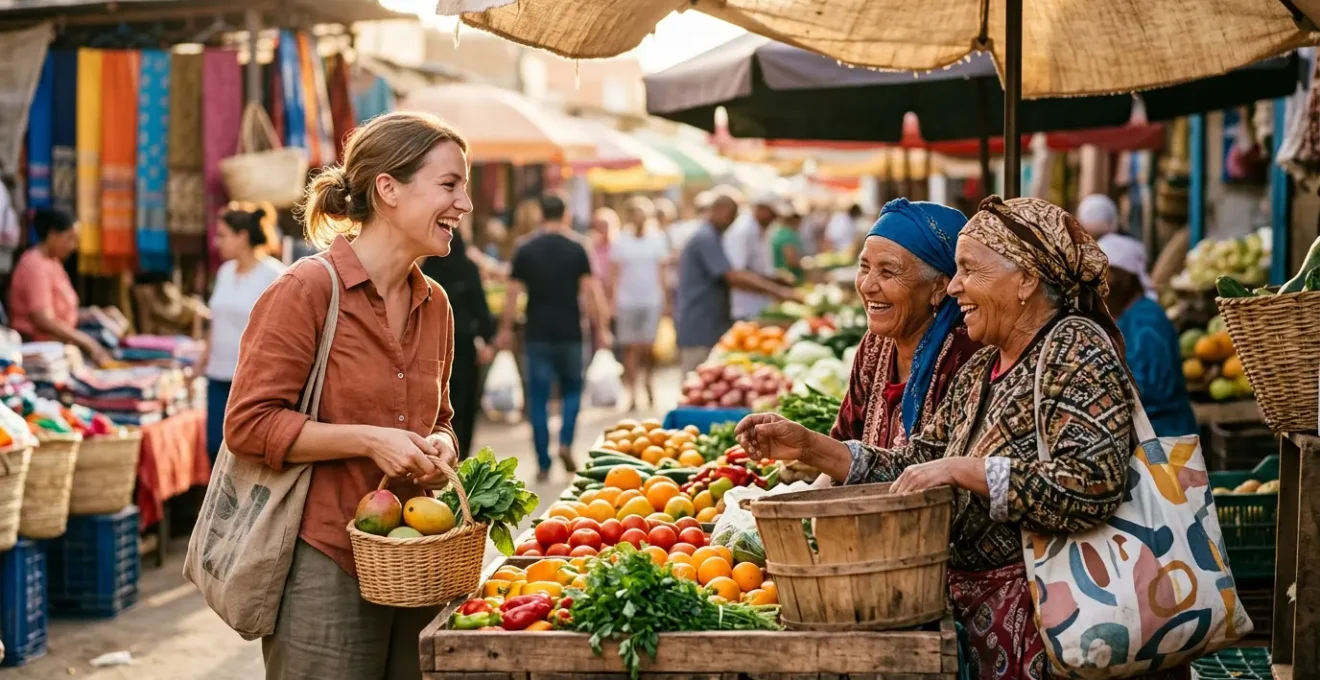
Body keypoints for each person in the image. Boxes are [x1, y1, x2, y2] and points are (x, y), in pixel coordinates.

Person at [737, 196, 1187, 680]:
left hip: (1067, 625)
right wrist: (810, 447)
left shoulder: (1075, 348)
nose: (954, 286)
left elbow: (1091, 486)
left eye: (969, 270)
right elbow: (916, 463)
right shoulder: (982, 366)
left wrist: (967, 470)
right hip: (986, 626)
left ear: (1026, 280)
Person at [223, 111, 466, 680]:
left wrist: (442, 447)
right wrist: (369, 442)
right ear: (388, 189)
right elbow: (248, 426)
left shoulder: (436, 304)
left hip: (417, 562)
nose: (465, 203)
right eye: (449, 185)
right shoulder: (306, 290)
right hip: (323, 560)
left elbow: (442, 419)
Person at [831, 199, 981, 450]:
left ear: (938, 288)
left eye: (888, 272)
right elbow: (845, 441)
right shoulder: (874, 346)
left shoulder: (968, 356)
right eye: (864, 268)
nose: (867, 285)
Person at [496, 194, 611, 481]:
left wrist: (505, 330)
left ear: (540, 215)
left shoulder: (525, 248)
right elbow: (592, 292)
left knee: (538, 398)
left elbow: (512, 295)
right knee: (572, 391)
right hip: (571, 331)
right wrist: (602, 328)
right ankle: (566, 442)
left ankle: (543, 461)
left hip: (537, 333)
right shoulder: (577, 247)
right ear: (566, 215)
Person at [675, 190, 799, 373]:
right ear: (718, 209)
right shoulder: (705, 238)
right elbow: (732, 276)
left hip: (712, 320)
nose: (734, 219)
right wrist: (778, 291)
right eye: (732, 213)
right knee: (697, 374)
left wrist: (776, 282)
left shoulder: (714, 236)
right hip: (700, 321)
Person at [202, 202, 285, 462]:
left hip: (252, 379)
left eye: (222, 235)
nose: (216, 242)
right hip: (217, 375)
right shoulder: (225, 272)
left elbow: (281, 332)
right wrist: (199, 365)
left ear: (242, 236)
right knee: (214, 447)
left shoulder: (274, 275)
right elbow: (216, 323)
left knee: (244, 451)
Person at [1099, 233, 1197, 437]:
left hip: (1165, 438)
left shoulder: (1147, 321)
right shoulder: (1124, 316)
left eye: (1104, 276)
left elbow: (1152, 387)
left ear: (1124, 278)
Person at [421, 220, 496, 459]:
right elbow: (480, 307)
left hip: (430, 343)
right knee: (463, 404)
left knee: (437, 405)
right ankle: (460, 452)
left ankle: (436, 451)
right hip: (463, 344)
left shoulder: (426, 269)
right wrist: (487, 338)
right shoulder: (468, 267)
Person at [8, 208, 111, 365]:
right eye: (70, 238)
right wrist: (86, 342)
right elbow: (43, 320)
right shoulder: (34, 266)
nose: (73, 246)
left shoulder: (53, 262)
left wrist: (95, 313)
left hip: (58, 345)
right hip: (41, 352)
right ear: (53, 235)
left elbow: (60, 311)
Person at [610, 196, 670, 411]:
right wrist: (612, 301)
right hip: (626, 300)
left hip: (651, 299)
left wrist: (666, 299)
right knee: (630, 348)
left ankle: (648, 380)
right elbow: (614, 273)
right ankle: (633, 392)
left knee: (648, 347)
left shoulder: (657, 238)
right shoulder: (620, 240)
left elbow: (662, 271)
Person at [724, 192, 786, 321]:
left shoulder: (760, 230)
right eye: (773, 214)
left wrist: (778, 279)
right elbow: (736, 275)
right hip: (744, 309)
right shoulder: (742, 232)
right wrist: (777, 290)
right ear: (761, 209)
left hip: (759, 306)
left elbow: (757, 269)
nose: (775, 218)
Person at [769, 202, 805, 283]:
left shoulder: (780, 232)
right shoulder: (788, 235)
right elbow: (791, 259)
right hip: (788, 276)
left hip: (782, 274)